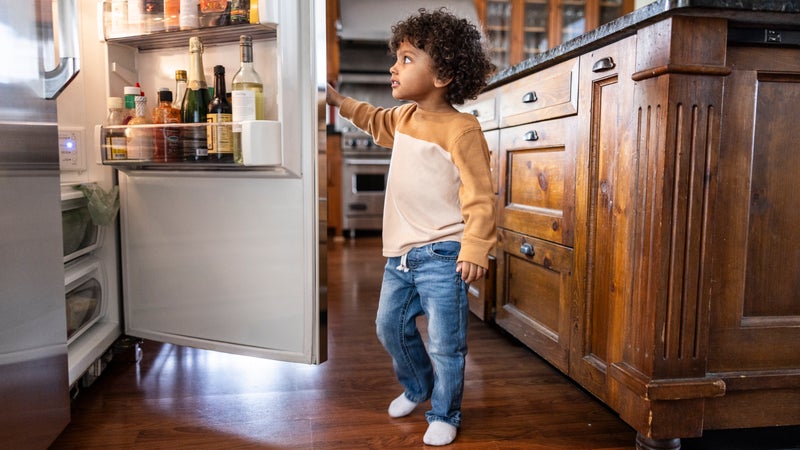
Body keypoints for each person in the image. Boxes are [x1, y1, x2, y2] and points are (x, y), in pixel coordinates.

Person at [326, 7, 496, 447]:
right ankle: (419, 385)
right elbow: (370, 117)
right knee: (389, 327)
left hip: (444, 254)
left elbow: (480, 195)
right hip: (400, 257)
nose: (393, 67)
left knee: (445, 343)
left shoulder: (462, 130)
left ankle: (445, 412)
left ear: (442, 74)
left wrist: (476, 247)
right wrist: (338, 102)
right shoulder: (403, 118)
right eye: (396, 58)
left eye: (406, 58)